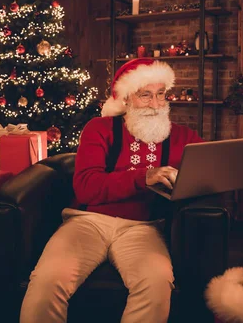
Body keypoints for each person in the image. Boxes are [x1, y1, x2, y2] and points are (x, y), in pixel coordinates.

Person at [20, 58, 203, 323]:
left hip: (144, 227)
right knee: (47, 281)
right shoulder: (100, 129)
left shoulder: (183, 137)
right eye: (145, 95)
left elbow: (207, 168)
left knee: (156, 282)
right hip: (87, 223)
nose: (156, 104)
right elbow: (86, 188)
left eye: (161, 94)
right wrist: (144, 177)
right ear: (126, 98)